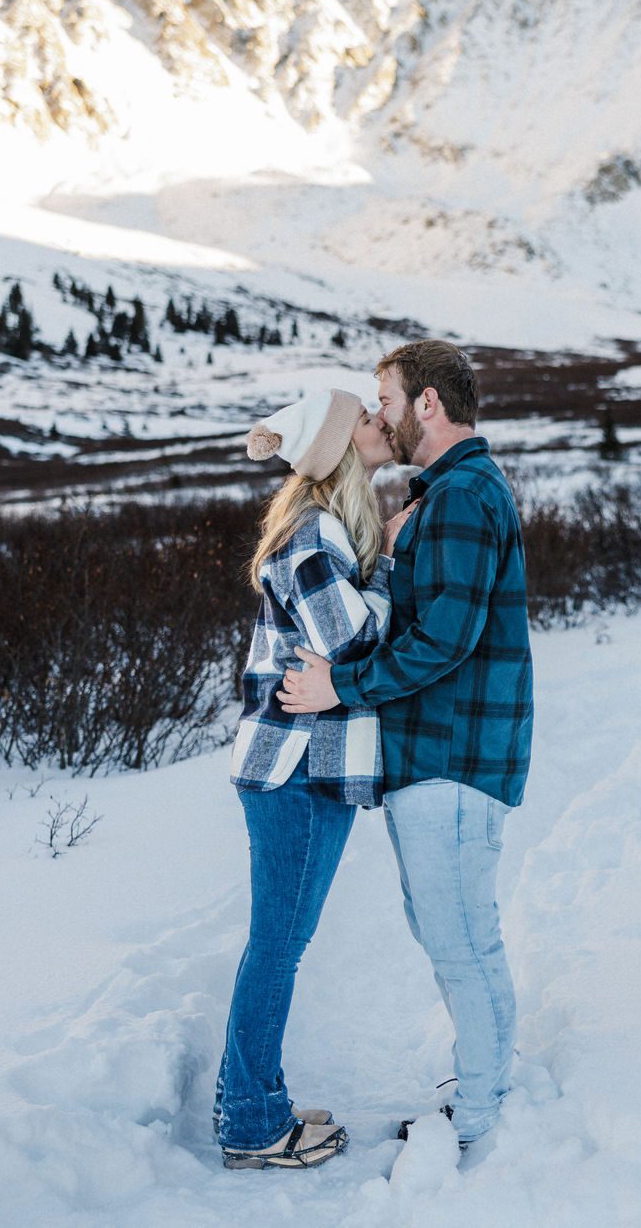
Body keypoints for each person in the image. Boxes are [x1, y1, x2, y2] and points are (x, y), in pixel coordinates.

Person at [279, 339, 534, 1150]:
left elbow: (446, 640)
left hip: (451, 757)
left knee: (458, 938)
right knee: (455, 931)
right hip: (445, 754)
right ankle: (488, 1082)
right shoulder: (453, 492)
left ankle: (483, 1114)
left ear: (428, 403)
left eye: (386, 397)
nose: (378, 412)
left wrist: (340, 689)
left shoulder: (461, 497)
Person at [214, 387, 416, 1171]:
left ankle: (251, 1100)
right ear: (337, 449)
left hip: (306, 769)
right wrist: (393, 565)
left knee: (278, 945)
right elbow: (349, 634)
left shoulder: (328, 531)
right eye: (364, 419)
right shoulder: (309, 538)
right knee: (278, 948)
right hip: (294, 772)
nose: (378, 423)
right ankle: (254, 1126)